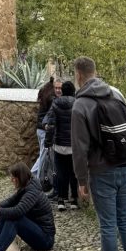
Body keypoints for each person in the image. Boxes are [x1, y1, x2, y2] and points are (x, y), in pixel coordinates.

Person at [71, 56, 126, 251]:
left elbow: (79, 148)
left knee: (108, 226)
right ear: (95, 71)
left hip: (101, 171)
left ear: (78, 75)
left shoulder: (80, 105)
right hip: (125, 166)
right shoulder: (115, 94)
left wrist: (81, 180)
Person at [47, 80, 78, 211]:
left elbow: (51, 125)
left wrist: (48, 142)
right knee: (73, 172)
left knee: (60, 173)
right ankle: (74, 200)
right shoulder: (77, 103)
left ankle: (61, 200)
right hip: (73, 145)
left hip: (59, 144)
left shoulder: (55, 103)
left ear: (63, 91)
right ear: (73, 91)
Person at [31, 77, 59, 189]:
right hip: (44, 130)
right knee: (43, 156)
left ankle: (31, 177)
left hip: (40, 130)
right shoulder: (52, 98)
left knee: (42, 155)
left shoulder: (44, 92)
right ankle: (36, 180)